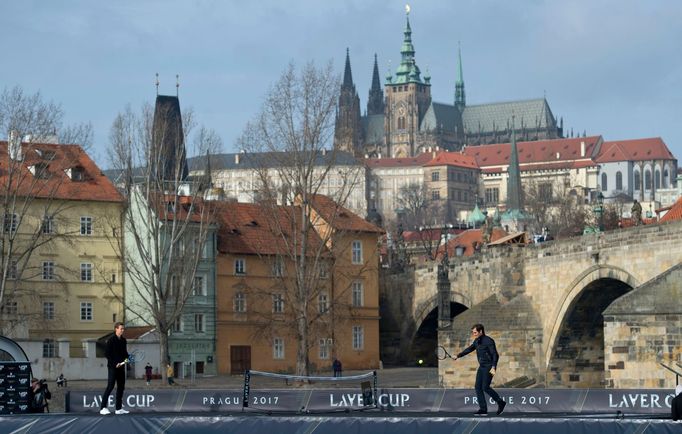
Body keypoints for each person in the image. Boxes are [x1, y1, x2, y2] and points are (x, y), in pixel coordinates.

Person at [453, 324, 506, 416]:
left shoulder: (488, 341)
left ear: (481, 331)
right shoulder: (477, 341)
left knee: (485, 387)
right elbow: (470, 349)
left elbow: (495, 355)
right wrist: (458, 356)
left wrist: (494, 366)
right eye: (473, 332)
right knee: (478, 387)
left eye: (475, 332)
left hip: (489, 366)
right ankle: (483, 409)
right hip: (482, 367)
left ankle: (500, 402)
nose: (474, 334)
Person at [99, 322, 129, 415]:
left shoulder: (124, 340)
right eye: (121, 329)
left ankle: (118, 409)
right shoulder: (111, 340)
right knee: (110, 386)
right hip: (112, 367)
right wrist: (115, 363)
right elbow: (107, 354)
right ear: (116, 329)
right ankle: (103, 408)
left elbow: (124, 353)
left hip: (121, 368)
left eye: (123, 329)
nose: (122, 330)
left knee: (121, 387)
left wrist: (127, 359)